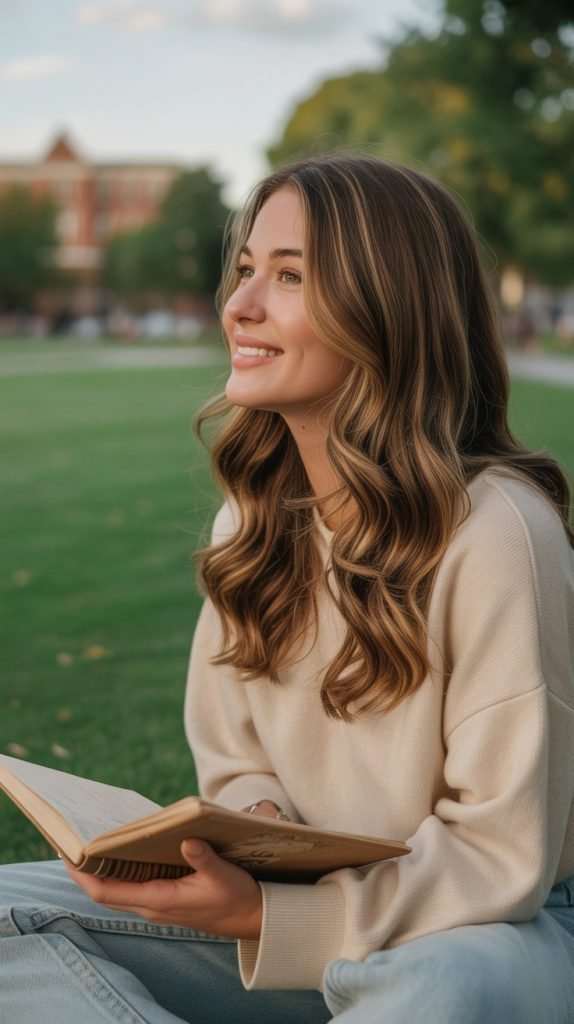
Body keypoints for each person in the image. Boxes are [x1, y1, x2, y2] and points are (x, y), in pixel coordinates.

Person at [1, 154, 573, 1024]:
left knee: (442, 986)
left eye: (290, 276)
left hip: (488, 930)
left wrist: (272, 915)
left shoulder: (499, 531)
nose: (239, 305)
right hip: (283, 916)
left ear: (388, 307)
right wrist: (255, 825)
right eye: (245, 270)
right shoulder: (249, 524)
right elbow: (237, 764)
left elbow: (503, 857)